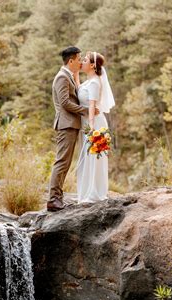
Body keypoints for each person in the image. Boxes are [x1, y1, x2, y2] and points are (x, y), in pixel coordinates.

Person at [47, 46, 99, 212]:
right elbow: (65, 103)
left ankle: (57, 198)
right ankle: (53, 200)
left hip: (70, 125)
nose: (80, 61)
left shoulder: (68, 75)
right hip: (65, 124)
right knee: (62, 162)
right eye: (79, 59)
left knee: (65, 162)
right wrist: (85, 111)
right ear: (71, 61)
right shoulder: (62, 77)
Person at [75, 51, 115, 203]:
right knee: (88, 159)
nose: (82, 61)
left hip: (96, 125)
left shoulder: (95, 82)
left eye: (85, 59)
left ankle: (94, 193)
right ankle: (86, 192)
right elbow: (79, 89)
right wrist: (76, 72)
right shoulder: (88, 81)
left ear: (92, 65)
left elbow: (92, 106)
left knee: (95, 158)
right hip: (89, 124)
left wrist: (91, 127)